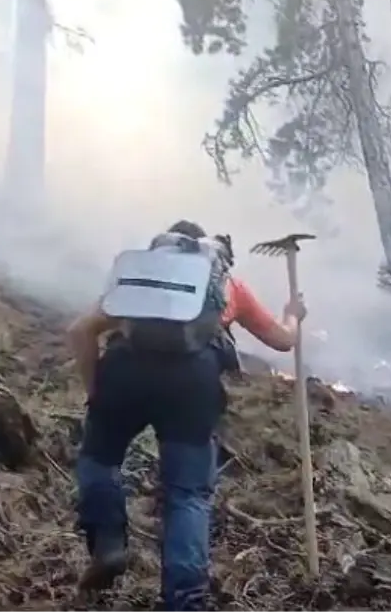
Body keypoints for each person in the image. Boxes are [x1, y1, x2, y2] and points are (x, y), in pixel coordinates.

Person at [65, 219, 306, 611]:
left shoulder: (139, 279)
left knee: (98, 460)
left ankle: (108, 542)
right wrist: (293, 314)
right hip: (192, 386)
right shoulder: (226, 285)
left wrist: (96, 393)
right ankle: (185, 599)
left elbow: (79, 331)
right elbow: (282, 340)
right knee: (187, 495)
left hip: (125, 373)